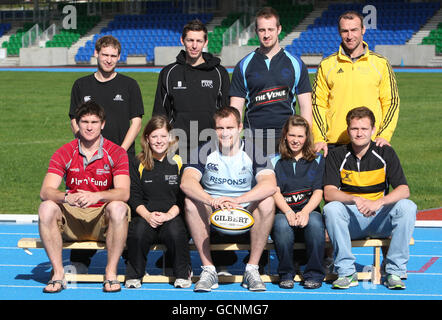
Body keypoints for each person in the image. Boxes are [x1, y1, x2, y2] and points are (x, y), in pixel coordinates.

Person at [180, 106, 277, 292]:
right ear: (214, 129)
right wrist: (211, 200)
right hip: (213, 211)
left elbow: (270, 185)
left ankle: (252, 269)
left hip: (244, 212)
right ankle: (208, 270)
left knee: (267, 201)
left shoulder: (253, 151)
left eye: (230, 128)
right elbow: (187, 183)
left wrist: (239, 200)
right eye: (220, 128)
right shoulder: (204, 151)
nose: (225, 133)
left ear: (240, 127)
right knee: (191, 202)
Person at [38, 101, 130, 293]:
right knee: (46, 207)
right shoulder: (64, 152)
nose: (89, 127)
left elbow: (124, 192)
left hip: (100, 219)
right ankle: (58, 273)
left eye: (94, 122)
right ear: (77, 124)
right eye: (85, 122)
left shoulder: (116, 152)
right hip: (72, 217)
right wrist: (66, 197)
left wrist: (96, 196)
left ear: (103, 124)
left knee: (119, 207)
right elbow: (45, 191)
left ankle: (111, 273)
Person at [69, 35, 144, 270]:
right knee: (86, 201)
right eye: (105, 55)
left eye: (113, 56)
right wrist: (88, 147)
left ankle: (128, 257)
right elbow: (75, 119)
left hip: (122, 158)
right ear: (96, 54)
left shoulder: (129, 84)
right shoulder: (81, 85)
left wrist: (118, 152)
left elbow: (136, 122)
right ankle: (81, 257)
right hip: (88, 157)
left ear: (119, 57)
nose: (109, 60)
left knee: (125, 205)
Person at [323, 107, 416, 290]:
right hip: (353, 219)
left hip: (379, 217)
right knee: (331, 208)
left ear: (373, 130)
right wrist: (355, 199)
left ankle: (394, 271)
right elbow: (329, 192)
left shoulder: (385, 153)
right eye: (355, 129)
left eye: (364, 129)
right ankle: (346, 272)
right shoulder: (337, 155)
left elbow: (404, 190)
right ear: (348, 130)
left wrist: (378, 202)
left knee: (408, 207)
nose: (359, 134)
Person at [312, 11, 400, 157]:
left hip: (371, 142)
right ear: (339, 32)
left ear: (363, 30)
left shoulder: (380, 64)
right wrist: (319, 138)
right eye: (345, 31)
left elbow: (391, 102)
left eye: (354, 30)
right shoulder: (327, 65)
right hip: (336, 144)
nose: (349, 36)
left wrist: (384, 135)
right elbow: (317, 104)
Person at [229, 7, 313, 156]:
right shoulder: (243, 65)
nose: (266, 35)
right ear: (256, 31)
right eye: (262, 30)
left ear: (279, 29)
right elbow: (235, 109)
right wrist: (233, 140)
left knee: (285, 180)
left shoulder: (296, 63)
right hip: (253, 139)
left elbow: (306, 107)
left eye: (270, 29)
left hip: (287, 139)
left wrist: (307, 140)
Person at [124, 115, 192, 289]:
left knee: (177, 233)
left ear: (170, 137)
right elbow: (134, 195)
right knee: (137, 233)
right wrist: (147, 215)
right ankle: (134, 275)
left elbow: (183, 196)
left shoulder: (179, 161)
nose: (159, 141)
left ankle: (182, 274)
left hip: (172, 215)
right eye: (154, 136)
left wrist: (169, 214)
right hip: (146, 215)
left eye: (163, 136)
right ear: (147, 138)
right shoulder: (137, 162)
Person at [152, 19, 230, 161]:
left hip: (211, 146)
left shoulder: (219, 73)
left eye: (199, 41)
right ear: (182, 40)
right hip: (177, 147)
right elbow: (160, 113)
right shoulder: (169, 73)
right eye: (190, 40)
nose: (194, 46)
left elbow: (226, 113)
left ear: (205, 42)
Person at [270, 115, 325, 289]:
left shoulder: (317, 159)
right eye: (292, 135)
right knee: (280, 225)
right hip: (283, 211)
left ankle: (314, 273)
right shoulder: (273, 160)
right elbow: (275, 191)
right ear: (285, 135)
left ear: (307, 137)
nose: (295, 140)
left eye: (300, 136)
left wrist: (306, 212)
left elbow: (318, 191)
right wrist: (287, 212)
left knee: (316, 223)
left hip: (309, 210)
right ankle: (286, 273)